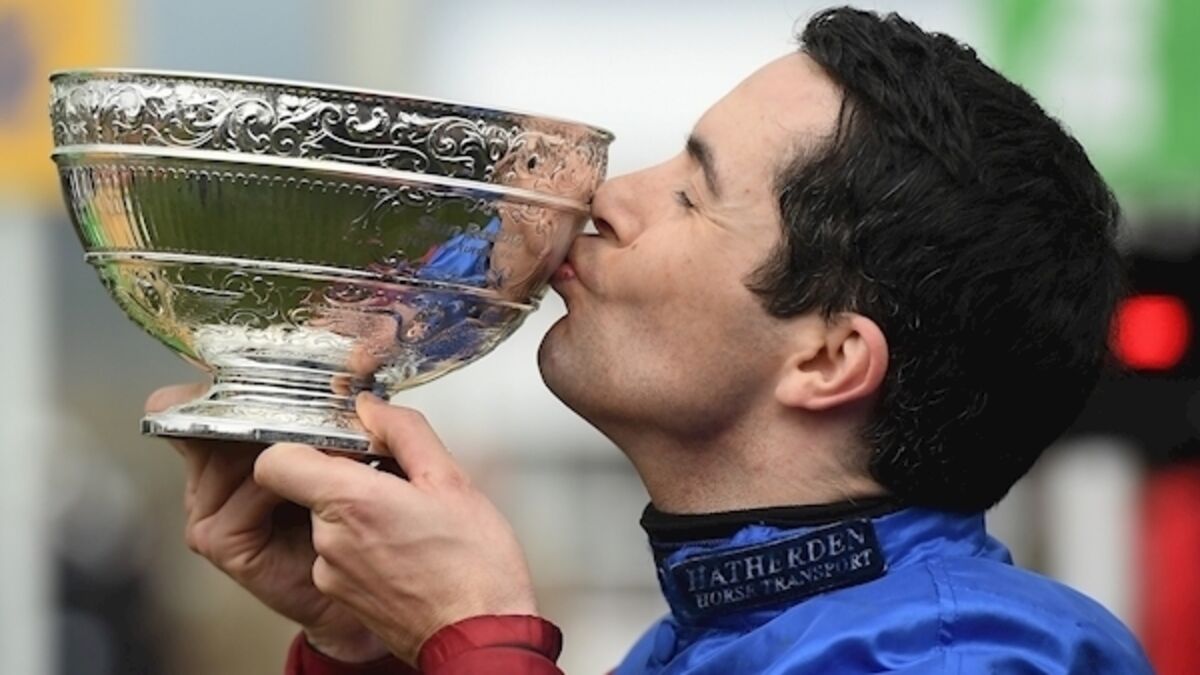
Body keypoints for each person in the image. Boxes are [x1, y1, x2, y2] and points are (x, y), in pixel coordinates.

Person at [146, 7, 1155, 674]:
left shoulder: (969, 655)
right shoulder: (703, 637)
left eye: (691, 193)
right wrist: (371, 643)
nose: (607, 198)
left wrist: (479, 638)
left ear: (827, 359)